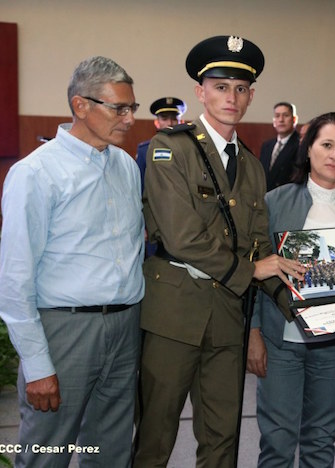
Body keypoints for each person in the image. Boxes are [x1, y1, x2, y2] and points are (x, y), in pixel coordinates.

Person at [133, 35, 305, 467]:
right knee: (155, 436)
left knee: (222, 439)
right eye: (221, 86)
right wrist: (254, 270)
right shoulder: (169, 148)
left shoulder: (252, 165)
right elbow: (182, 237)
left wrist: (304, 304)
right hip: (174, 314)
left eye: (241, 88)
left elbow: (260, 245)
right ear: (200, 92)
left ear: (251, 97)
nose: (232, 97)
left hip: (228, 315)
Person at [0, 56, 144, 467]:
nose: (130, 118)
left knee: (111, 453)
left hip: (124, 326)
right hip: (65, 332)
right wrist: (37, 365)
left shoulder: (126, 166)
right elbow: (15, 280)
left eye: (132, 107)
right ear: (81, 105)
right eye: (119, 108)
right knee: (47, 452)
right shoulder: (35, 173)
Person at [247, 112, 335, 467]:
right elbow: (254, 274)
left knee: (320, 441)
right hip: (281, 343)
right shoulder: (274, 202)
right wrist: (253, 333)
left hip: (334, 347)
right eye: (327, 144)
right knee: (277, 442)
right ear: (308, 150)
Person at [136, 96, 186, 192]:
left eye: (174, 118)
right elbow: (140, 185)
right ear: (157, 123)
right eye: (164, 118)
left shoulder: (191, 148)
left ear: (181, 122)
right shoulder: (145, 150)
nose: (170, 123)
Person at [259, 102, 300, 191]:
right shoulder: (267, 146)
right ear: (274, 121)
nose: (281, 120)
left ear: (294, 119)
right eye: (277, 116)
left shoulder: (300, 145)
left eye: (286, 115)